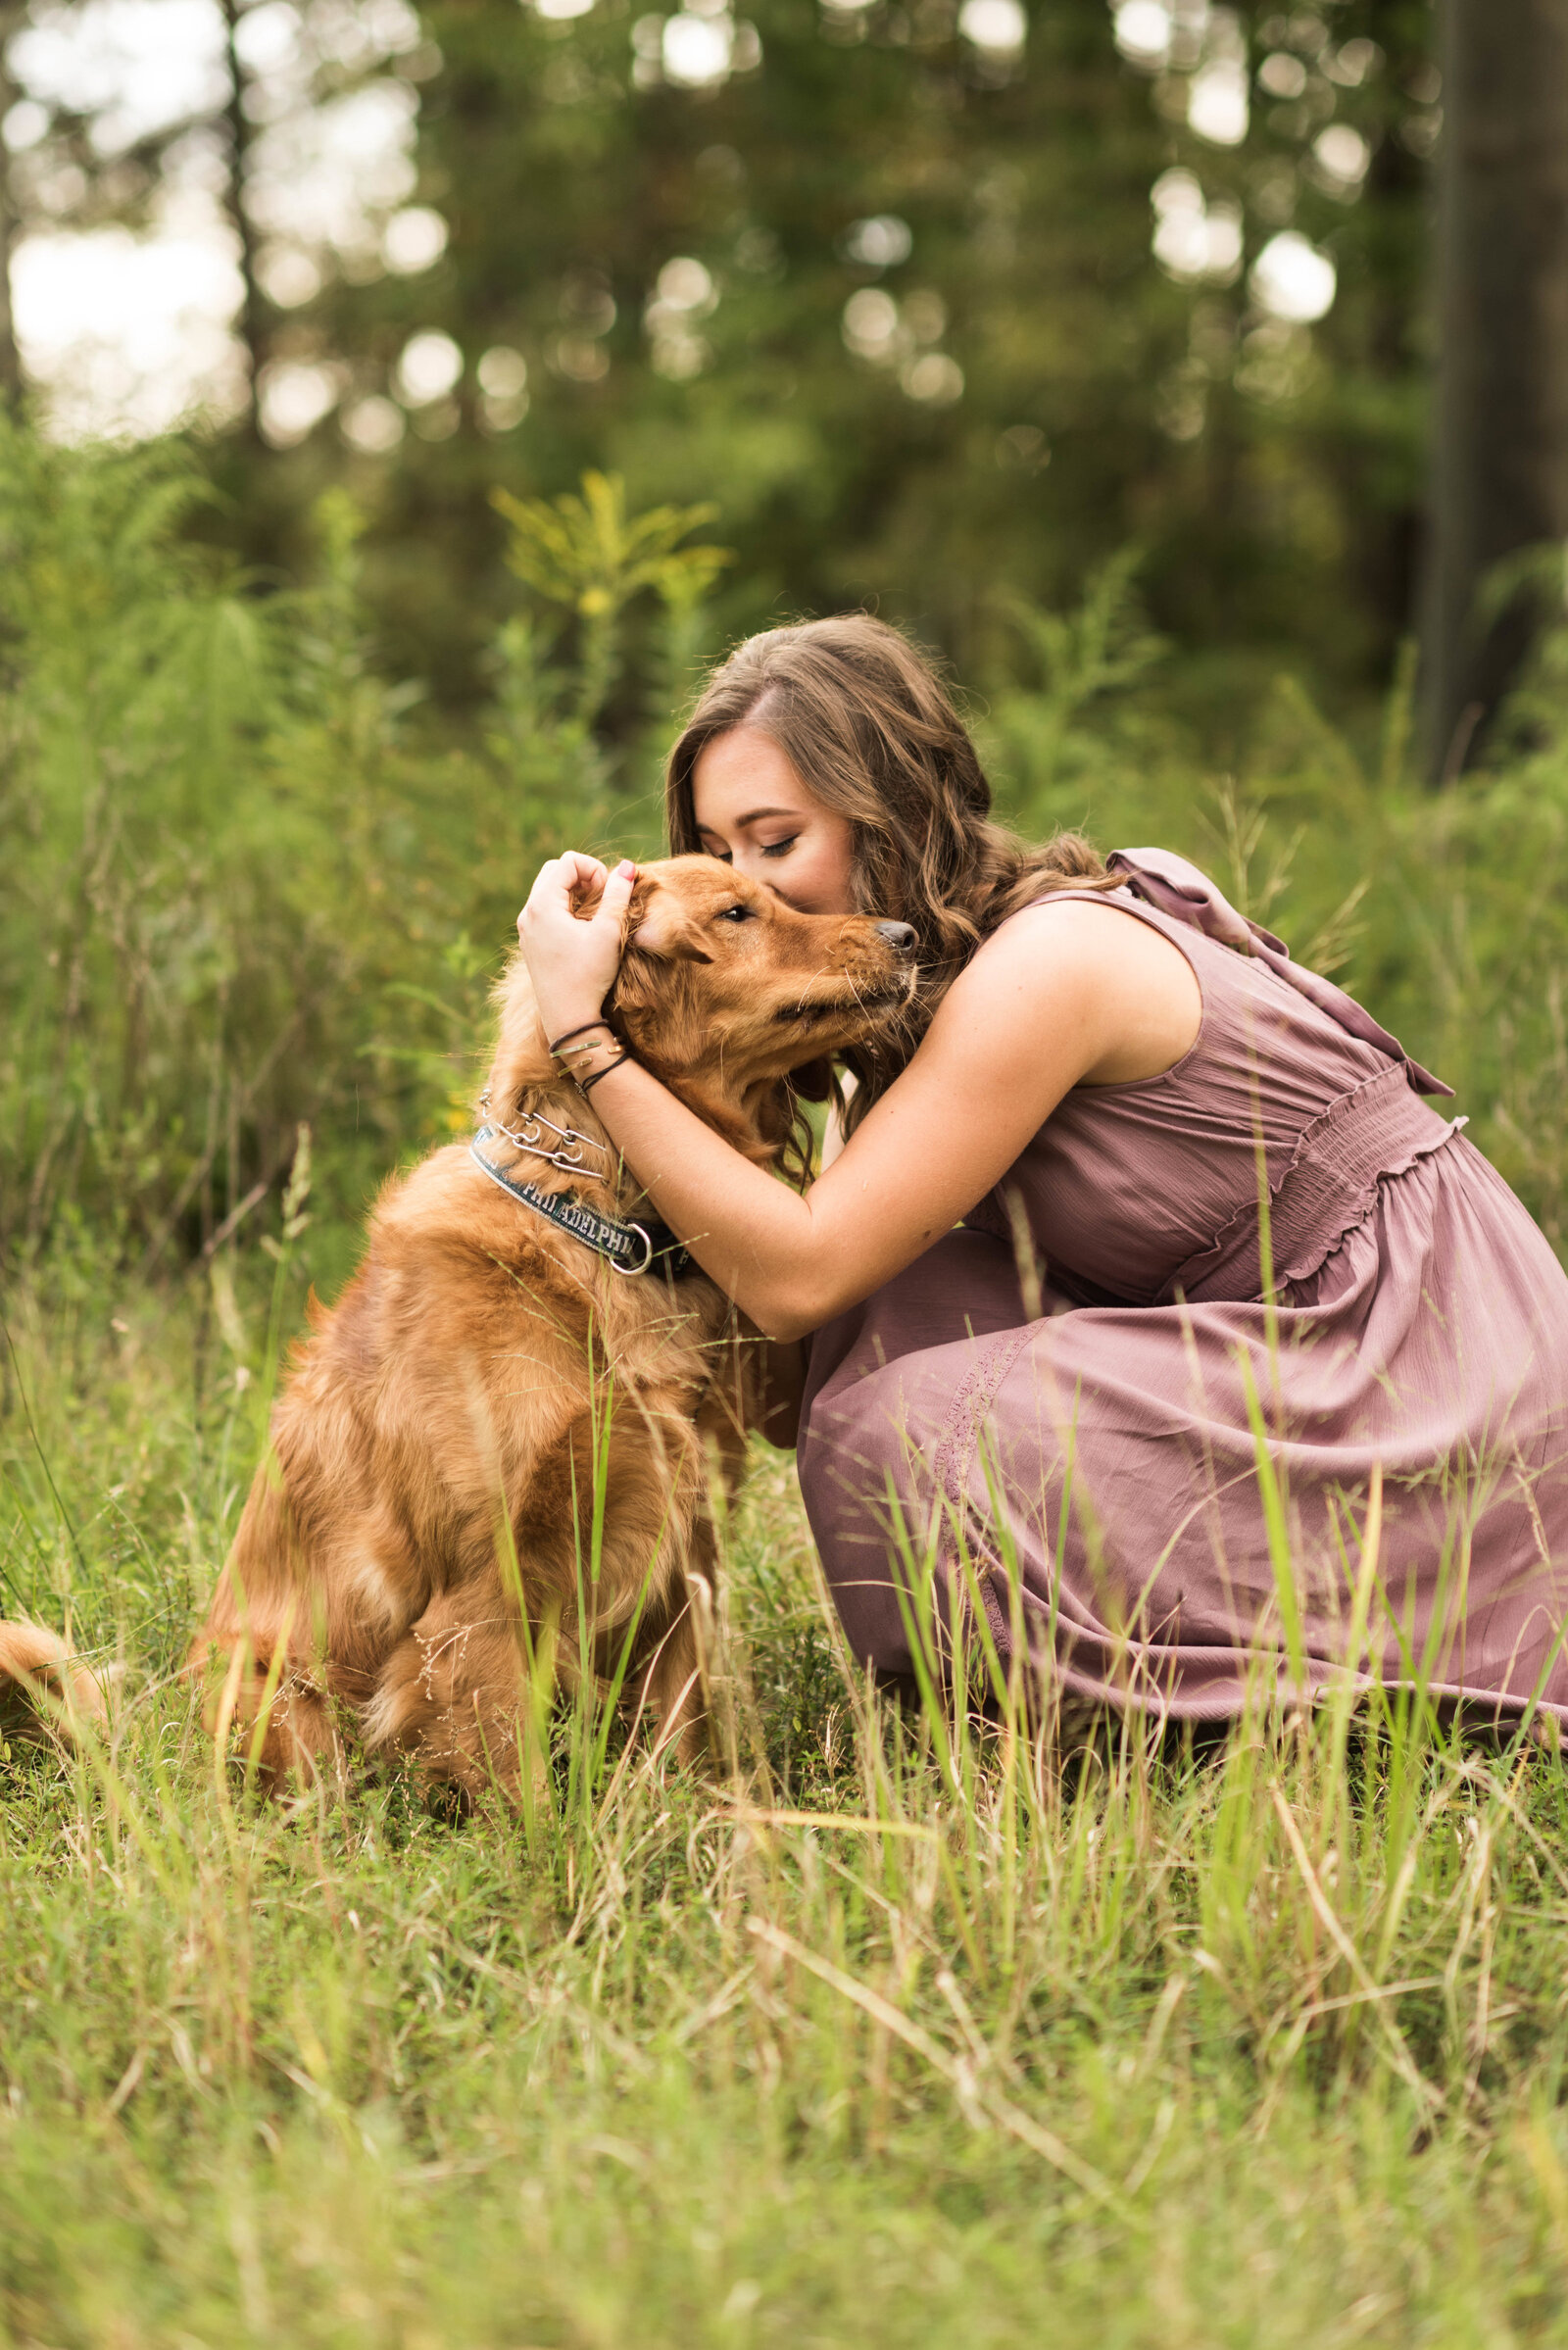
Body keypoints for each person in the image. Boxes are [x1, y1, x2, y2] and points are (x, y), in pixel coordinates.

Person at [516, 614, 1568, 1735]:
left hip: (1416, 1359)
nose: (747, 889)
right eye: (718, 858)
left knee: (911, 1416)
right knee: (888, 1310)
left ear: (888, 812)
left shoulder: (1047, 966)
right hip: (1276, 1327)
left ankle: (1182, 1704)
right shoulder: (905, 1008)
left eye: (774, 843)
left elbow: (792, 1275)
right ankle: (1054, 1672)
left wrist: (585, 1033)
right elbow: (784, 1335)